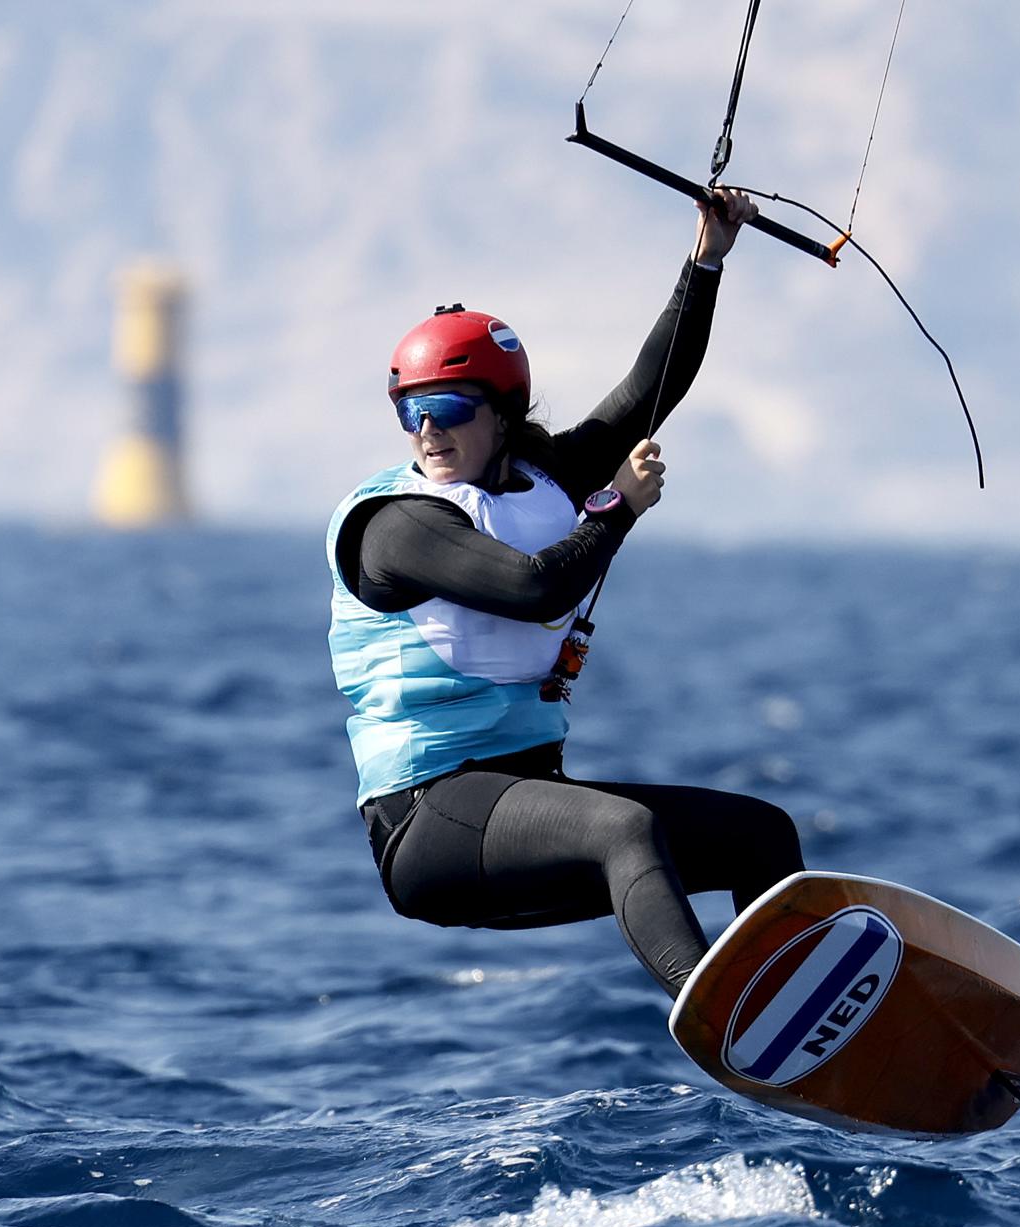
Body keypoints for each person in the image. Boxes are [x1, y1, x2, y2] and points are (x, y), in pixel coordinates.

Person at [326, 192, 804, 997]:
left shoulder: (541, 481)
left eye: (446, 409)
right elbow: (531, 587)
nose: (426, 431)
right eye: (409, 411)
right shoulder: (393, 526)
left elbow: (648, 390)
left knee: (762, 834)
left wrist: (709, 258)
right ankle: (721, 1017)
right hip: (428, 823)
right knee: (627, 829)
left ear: (505, 415)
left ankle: (804, 1021)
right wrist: (617, 506)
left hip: (525, 801)